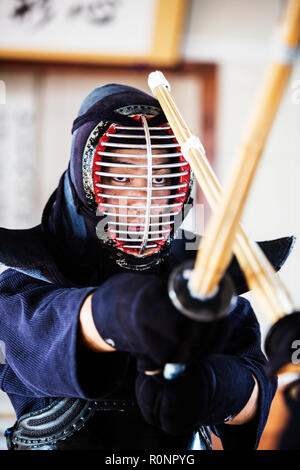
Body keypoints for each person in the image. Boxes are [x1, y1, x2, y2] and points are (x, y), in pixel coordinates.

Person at [0, 83, 294, 451]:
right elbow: (40, 339)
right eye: (121, 177)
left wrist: (222, 388)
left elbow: (255, 390)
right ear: (83, 176)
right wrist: (117, 313)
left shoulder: (205, 281)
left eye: (159, 179)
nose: (143, 198)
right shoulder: (30, 280)